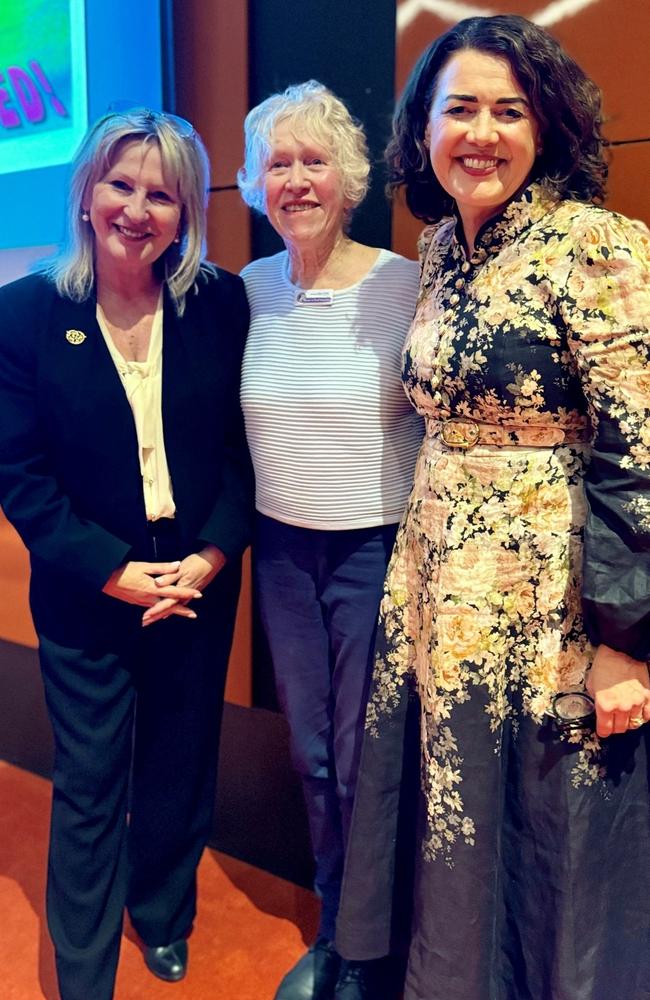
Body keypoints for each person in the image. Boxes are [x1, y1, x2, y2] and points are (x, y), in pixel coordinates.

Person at [335, 14, 650, 1000]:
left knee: (549, 828)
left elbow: (639, 448)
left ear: (544, 126)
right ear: (421, 130)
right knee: (449, 811)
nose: (480, 133)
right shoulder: (434, 250)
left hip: (550, 606)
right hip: (437, 590)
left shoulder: (592, 244)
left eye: (506, 111)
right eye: (458, 108)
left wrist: (622, 636)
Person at [0, 108, 252, 1000]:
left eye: (162, 193)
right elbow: (20, 475)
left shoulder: (219, 302)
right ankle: (84, 974)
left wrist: (211, 558)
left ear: (186, 213)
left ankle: (165, 914)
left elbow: (236, 451)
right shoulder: (25, 313)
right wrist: (110, 569)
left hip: (194, 580)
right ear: (86, 192)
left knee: (182, 760)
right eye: (121, 184)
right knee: (92, 780)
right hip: (85, 587)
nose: (138, 208)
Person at [237, 81, 422, 1000]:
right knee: (311, 756)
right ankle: (336, 925)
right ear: (255, 183)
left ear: (349, 181)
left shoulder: (402, 284)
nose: (298, 180)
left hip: (374, 555)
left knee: (362, 761)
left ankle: (367, 948)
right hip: (280, 554)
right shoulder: (248, 292)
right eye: (280, 163)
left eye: (316, 162)